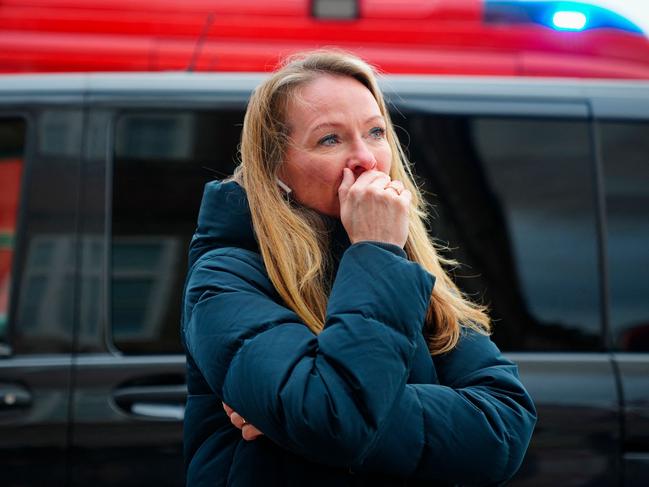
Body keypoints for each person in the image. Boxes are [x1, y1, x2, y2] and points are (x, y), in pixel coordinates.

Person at [181, 49, 536, 486]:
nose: (366, 159)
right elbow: (335, 418)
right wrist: (374, 250)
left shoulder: (406, 266)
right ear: (274, 167)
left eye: (375, 132)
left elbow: (504, 427)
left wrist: (311, 421)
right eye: (330, 139)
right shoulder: (227, 276)